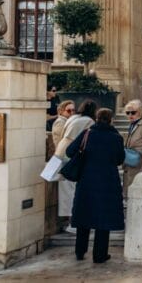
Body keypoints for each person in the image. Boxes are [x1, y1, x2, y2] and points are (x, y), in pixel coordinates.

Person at [67, 107, 124, 264]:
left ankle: (80, 250)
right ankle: (100, 254)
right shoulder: (116, 138)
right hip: (107, 182)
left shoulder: (87, 134)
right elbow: (120, 159)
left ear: (96, 118)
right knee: (103, 220)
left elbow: (70, 151)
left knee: (84, 216)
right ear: (111, 119)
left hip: (86, 180)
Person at [55, 100, 96, 229]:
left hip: (61, 152)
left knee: (66, 190)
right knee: (71, 190)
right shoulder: (89, 121)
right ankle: (73, 222)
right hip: (71, 155)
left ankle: (68, 221)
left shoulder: (74, 118)